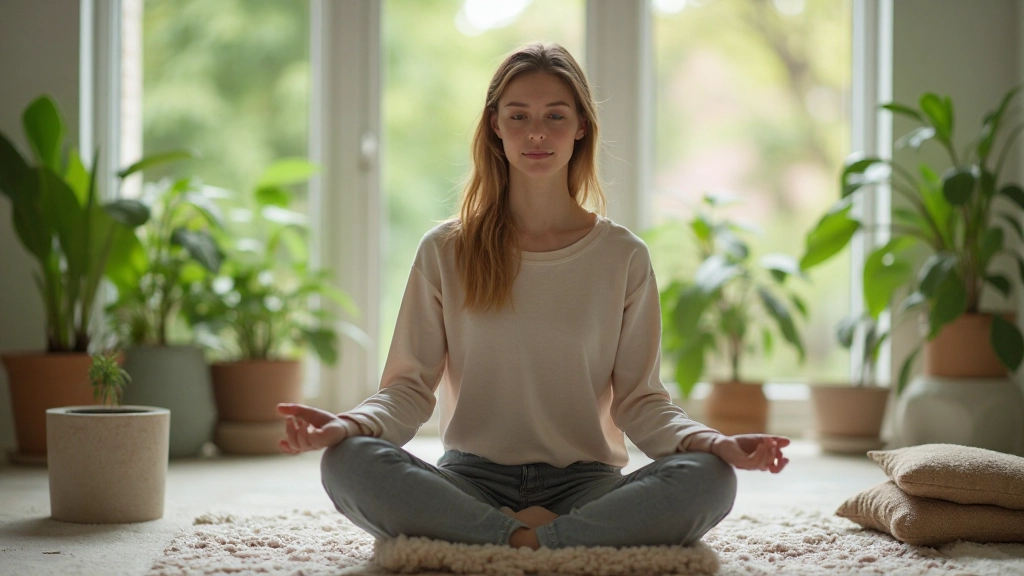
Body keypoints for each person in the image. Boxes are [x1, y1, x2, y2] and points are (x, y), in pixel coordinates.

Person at [277, 42, 789, 551]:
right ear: (495, 125)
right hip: (471, 480)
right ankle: (544, 541)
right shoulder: (445, 249)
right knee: (348, 462)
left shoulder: (623, 255)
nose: (537, 132)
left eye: (555, 116)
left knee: (710, 477)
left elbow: (640, 402)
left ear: (581, 125)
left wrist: (712, 443)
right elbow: (408, 390)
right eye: (518, 115)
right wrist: (350, 425)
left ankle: (504, 538)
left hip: (587, 484)